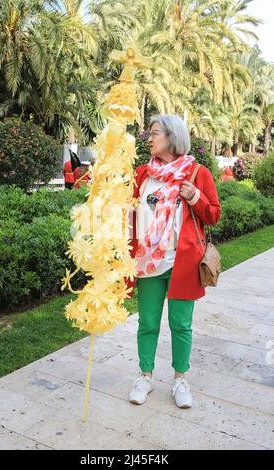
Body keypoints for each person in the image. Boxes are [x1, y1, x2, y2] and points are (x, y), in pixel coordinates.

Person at [127, 115, 221, 408]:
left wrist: (195, 198)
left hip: (182, 262)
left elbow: (214, 215)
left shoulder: (196, 173)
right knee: (148, 323)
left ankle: (180, 379)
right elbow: (129, 214)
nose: (149, 138)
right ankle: (145, 376)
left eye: (154, 133)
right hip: (147, 263)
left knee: (181, 324)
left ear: (172, 137)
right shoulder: (142, 174)